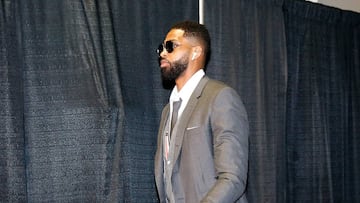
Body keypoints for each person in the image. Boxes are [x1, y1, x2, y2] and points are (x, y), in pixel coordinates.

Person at [154, 20, 249, 203]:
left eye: (170, 46)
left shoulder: (220, 98)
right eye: (161, 48)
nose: (163, 53)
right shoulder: (167, 111)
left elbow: (232, 177)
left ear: (195, 52)